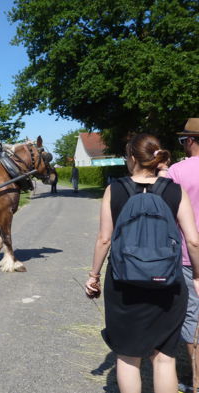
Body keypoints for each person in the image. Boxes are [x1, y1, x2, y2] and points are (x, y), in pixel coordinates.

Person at [84, 134, 199, 393]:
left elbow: (104, 239)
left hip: (124, 284)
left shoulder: (115, 190)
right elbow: (193, 241)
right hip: (168, 282)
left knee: (127, 356)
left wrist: (93, 276)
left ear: (133, 158)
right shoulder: (174, 189)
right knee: (164, 358)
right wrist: (197, 276)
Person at [162, 119, 199, 392]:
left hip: (189, 254)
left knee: (191, 315)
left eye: (183, 140)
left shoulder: (177, 171)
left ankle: (196, 380)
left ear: (191, 140)